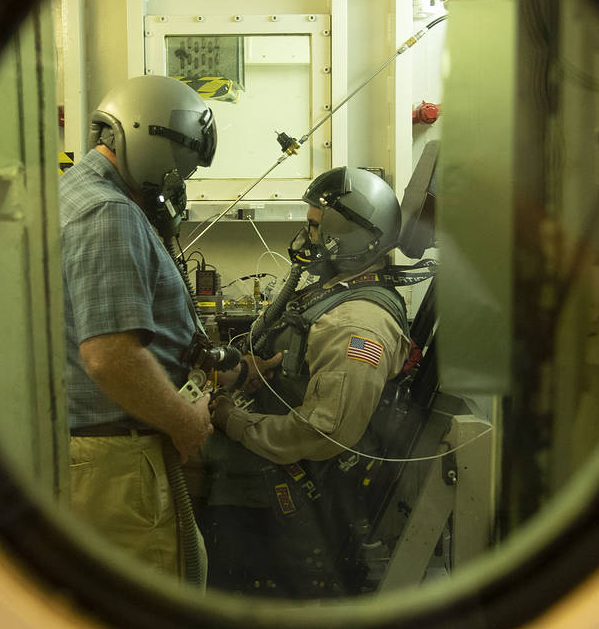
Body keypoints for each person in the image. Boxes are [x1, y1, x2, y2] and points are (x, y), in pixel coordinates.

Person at [201, 167, 410, 597]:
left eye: (315, 226)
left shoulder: (356, 326)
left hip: (297, 491)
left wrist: (230, 419)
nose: (306, 235)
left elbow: (320, 432)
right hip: (283, 469)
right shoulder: (336, 292)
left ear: (346, 235)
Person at [59, 74, 216, 580]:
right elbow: (111, 356)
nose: (179, 183)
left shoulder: (77, 193)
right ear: (152, 140)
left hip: (97, 455)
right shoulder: (109, 212)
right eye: (180, 169)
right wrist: (183, 421)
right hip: (115, 461)